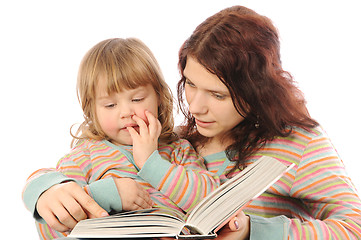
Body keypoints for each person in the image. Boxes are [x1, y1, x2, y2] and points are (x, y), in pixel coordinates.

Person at [174, 5, 361, 239]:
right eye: (190, 84)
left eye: (217, 95)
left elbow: (354, 228)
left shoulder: (297, 143)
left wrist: (253, 230)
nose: (194, 107)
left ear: (256, 91)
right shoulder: (177, 141)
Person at [22, 37, 220, 239]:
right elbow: (55, 227)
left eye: (137, 99)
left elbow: (213, 204)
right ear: (91, 110)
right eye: (110, 105)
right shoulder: (84, 157)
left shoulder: (178, 149)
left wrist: (151, 163)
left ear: (159, 97)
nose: (126, 112)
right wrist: (108, 194)